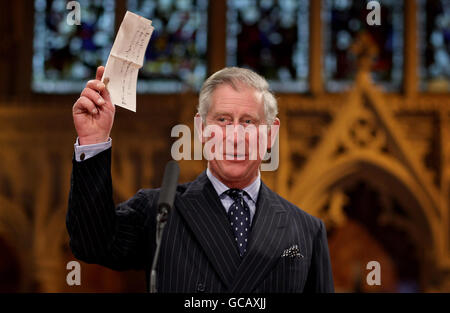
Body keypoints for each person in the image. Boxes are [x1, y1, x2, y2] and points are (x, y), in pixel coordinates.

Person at [67, 66, 334, 293]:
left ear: (271, 135)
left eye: (249, 122)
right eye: (223, 120)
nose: (235, 136)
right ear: (201, 129)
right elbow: (92, 243)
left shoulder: (307, 232)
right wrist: (93, 141)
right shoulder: (160, 211)